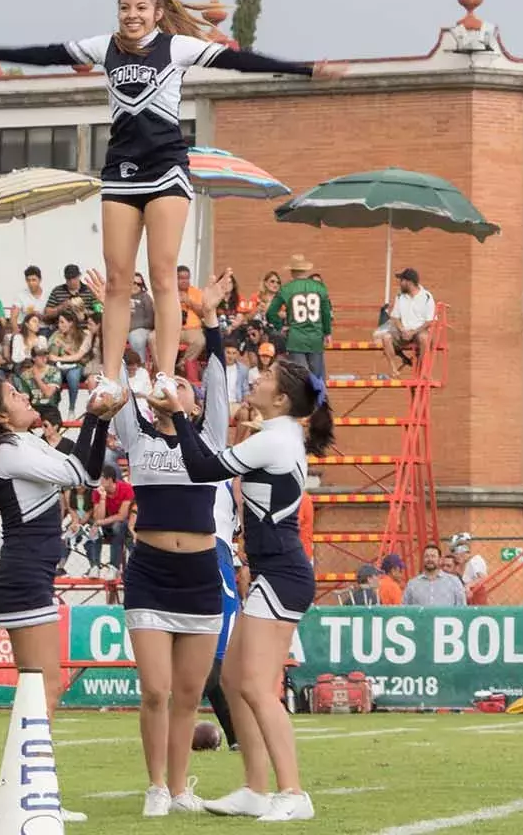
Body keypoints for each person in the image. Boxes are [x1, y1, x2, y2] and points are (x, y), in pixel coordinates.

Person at [0, 0, 346, 408]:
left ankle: (164, 374)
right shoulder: (104, 47)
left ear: (157, 11)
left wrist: (304, 70)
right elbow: (48, 53)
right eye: (125, 8)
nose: (132, 15)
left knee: (164, 277)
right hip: (120, 172)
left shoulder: (176, 47)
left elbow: (239, 61)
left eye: (141, 8)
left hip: (166, 170)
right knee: (116, 281)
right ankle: (110, 378)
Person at [153, 348, 336, 824]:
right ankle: (256, 789)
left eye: (266, 376)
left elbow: (203, 468)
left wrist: (179, 416)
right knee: (234, 681)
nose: (255, 379)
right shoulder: (276, 433)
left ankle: (293, 791)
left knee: (255, 686)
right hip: (274, 573)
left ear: (281, 397)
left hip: (282, 574)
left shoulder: (275, 439)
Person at [0, 374, 117, 823]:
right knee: (45, 689)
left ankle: (27, 787)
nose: (25, 396)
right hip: (24, 578)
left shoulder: (22, 444)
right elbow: (82, 473)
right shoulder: (10, 450)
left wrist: (95, 423)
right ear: (1, 417)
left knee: (42, 689)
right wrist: (94, 419)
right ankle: (28, 789)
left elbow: (79, 463)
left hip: (28, 576)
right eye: (14, 396)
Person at [106, 271, 236, 816]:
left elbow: (219, 374)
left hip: (202, 574)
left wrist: (209, 318)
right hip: (152, 571)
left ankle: (181, 788)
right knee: (156, 690)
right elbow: (110, 379)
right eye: (166, 382)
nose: (172, 386)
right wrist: (111, 307)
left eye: (182, 383)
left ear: (194, 399)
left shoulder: (209, 437)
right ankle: (156, 785)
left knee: (189, 694)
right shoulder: (135, 432)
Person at [268, 255, 334, 382]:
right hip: (315, 337)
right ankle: (318, 401)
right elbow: (326, 312)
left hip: (295, 338)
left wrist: (280, 327)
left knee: (300, 379)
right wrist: (327, 332)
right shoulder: (319, 288)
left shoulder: (286, 289)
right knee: (317, 379)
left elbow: (271, 313)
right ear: (306, 270)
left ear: (292, 271)